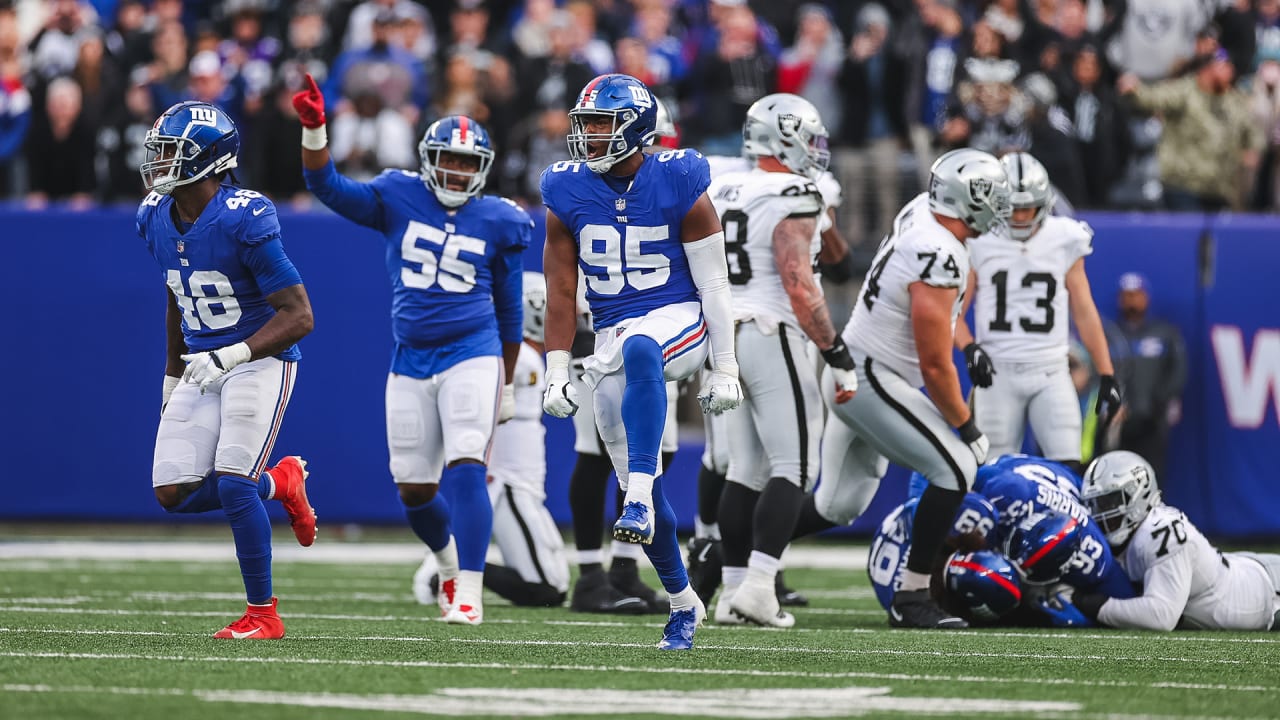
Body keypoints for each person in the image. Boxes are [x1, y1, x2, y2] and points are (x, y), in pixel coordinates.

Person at [295, 74, 530, 626]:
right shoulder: (398, 195)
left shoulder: (500, 219)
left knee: (468, 463)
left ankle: (469, 591)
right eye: (449, 160)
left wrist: (510, 378)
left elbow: (511, 308)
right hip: (410, 356)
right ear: (428, 159)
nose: (458, 172)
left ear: (485, 169)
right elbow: (325, 185)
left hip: (473, 351)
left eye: (469, 164)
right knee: (414, 489)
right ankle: (448, 564)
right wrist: (314, 129)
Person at [540, 73, 742, 650]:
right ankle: (683, 602)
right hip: (608, 334)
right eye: (585, 124)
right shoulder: (566, 189)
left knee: (642, 348)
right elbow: (560, 290)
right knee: (642, 485)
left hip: (680, 319)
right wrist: (557, 368)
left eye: (601, 124)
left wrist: (724, 366)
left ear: (635, 128)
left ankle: (634, 496)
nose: (589, 136)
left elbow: (714, 282)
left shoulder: (679, 177)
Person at [792, 148, 1011, 629]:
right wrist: (967, 427)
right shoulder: (938, 251)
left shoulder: (923, 212)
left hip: (855, 367)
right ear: (965, 199)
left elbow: (938, 303)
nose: (999, 203)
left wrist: (963, 339)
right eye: (989, 194)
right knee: (956, 469)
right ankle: (912, 596)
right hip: (869, 378)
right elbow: (934, 366)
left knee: (837, 504)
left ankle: (732, 551)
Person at [140, 100, 318, 639]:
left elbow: (300, 315)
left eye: (174, 152)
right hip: (201, 363)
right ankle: (282, 481)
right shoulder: (154, 213)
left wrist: (235, 354)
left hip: (259, 359)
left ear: (210, 160)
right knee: (172, 491)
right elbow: (177, 293)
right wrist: (172, 373)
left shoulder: (245, 215)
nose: (161, 162)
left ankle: (263, 615)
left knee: (235, 484)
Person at [706, 92, 857, 628]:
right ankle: (761, 585)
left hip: (724, 333)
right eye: (809, 140)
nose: (815, 151)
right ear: (784, 137)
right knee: (796, 466)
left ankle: (729, 592)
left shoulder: (724, 185)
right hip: (773, 329)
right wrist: (835, 351)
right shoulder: (793, 190)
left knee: (745, 467)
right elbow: (798, 282)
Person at [564, 105, 682, 616]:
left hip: (655, 336)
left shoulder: (670, 189)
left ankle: (622, 567)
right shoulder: (582, 189)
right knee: (596, 456)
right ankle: (592, 575)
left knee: (661, 452)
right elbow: (565, 269)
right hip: (601, 334)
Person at [954, 152, 1122, 474]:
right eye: (1011, 207)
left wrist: (1106, 372)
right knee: (995, 473)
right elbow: (952, 314)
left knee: (1068, 468)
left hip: (1051, 370)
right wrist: (970, 348)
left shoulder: (1064, 238)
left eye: (1026, 207)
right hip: (997, 372)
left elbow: (1084, 311)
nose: (1018, 216)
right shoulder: (979, 240)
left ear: (1043, 203)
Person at [413, 272, 571, 608]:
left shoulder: (524, 356)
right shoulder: (519, 358)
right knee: (548, 589)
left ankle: (452, 564)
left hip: (522, 485)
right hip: (509, 485)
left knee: (556, 582)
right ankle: (450, 569)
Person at [1057, 451, 1280, 631]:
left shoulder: (1161, 531)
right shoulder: (1133, 533)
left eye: (1109, 502)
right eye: (1095, 505)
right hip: (1241, 573)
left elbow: (1161, 616)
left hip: (1267, 592)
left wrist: (1091, 604)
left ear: (1139, 495)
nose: (1100, 513)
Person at [1107, 273, 1188, 483]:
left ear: (1145, 297)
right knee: (1115, 476)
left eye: (1135, 295)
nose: (1131, 301)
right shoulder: (1110, 333)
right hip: (1118, 421)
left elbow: (1178, 370)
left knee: (1151, 475)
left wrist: (1160, 400)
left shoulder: (1163, 333)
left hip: (1152, 419)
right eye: (1126, 296)